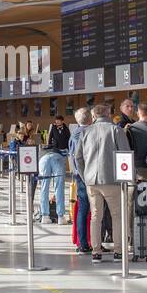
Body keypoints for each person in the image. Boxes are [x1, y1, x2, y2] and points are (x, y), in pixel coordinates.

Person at [70, 104, 130, 264]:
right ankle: (118, 251)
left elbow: (77, 157)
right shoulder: (116, 130)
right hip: (111, 180)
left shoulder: (85, 132)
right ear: (109, 114)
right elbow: (125, 155)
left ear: (94, 116)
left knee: (96, 216)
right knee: (117, 215)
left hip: (91, 181)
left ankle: (96, 252)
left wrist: (84, 176)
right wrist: (125, 178)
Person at [68, 107, 92, 253]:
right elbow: (79, 157)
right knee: (89, 210)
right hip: (87, 176)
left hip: (79, 175)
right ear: (90, 118)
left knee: (83, 209)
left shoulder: (74, 134)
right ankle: (85, 242)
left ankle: (83, 242)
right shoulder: (87, 133)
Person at [39, 115, 69, 224]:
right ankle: (60, 216)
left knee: (44, 186)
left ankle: (45, 216)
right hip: (58, 156)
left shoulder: (65, 129)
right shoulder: (57, 128)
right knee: (59, 186)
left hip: (44, 157)